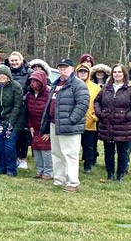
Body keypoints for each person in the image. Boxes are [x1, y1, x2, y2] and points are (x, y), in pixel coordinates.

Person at [40, 58, 90, 193]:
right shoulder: (56, 84)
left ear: (72, 69)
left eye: (65, 67)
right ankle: (59, 180)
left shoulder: (78, 84)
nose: (63, 70)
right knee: (56, 153)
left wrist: (72, 119)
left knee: (70, 154)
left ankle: (72, 182)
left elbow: (83, 104)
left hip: (69, 126)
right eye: (60, 67)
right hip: (54, 123)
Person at [95, 64, 131, 182]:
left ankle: (120, 175)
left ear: (124, 74)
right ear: (112, 74)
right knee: (109, 151)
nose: (117, 74)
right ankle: (110, 173)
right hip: (107, 125)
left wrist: (128, 116)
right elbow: (97, 101)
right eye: (115, 72)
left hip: (124, 126)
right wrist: (100, 114)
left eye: (119, 72)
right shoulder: (106, 88)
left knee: (122, 152)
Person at [0, 65, 26, 176]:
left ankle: (11, 169)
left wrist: (10, 123)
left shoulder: (16, 86)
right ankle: (1, 168)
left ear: (8, 76)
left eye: (4, 74)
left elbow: (17, 105)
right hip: (0, 119)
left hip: (15, 119)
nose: (2, 76)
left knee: (9, 144)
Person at [26, 69, 53, 179]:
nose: (33, 84)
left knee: (46, 149)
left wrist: (49, 131)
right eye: (32, 81)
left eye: (36, 81)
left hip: (46, 127)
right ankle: (39, 170)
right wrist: (30, 126)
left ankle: (49, 172)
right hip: (35, 126)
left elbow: (52, 113)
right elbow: (27, 112)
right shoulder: (29, 95)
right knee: (36, 148)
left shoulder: (49, 94)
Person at [76, 64, 102, 174]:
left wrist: (95, 116)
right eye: (80, 71)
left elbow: (99, 103)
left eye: (85, 72)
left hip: (89, 122)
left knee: (88, 145)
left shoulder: (95, 87)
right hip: (75, 121)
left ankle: (88, 165)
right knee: (75, 146)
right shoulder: (72, 85)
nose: (82, 73)